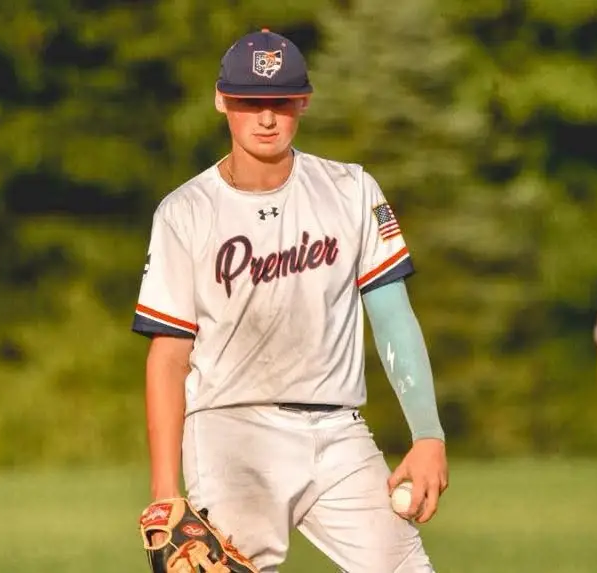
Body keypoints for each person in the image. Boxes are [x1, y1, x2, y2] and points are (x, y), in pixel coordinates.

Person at [132, 28, 448, 573]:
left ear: (303, 101)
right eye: (248, 101)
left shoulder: (351, 190)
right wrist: (165, 491)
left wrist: (428, 435)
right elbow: (169, 356)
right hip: (232, 434)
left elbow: (393, 317)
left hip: (338, 432)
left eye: (280, 101)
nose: (266, 117)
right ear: (221, 100)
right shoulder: (185, 212)